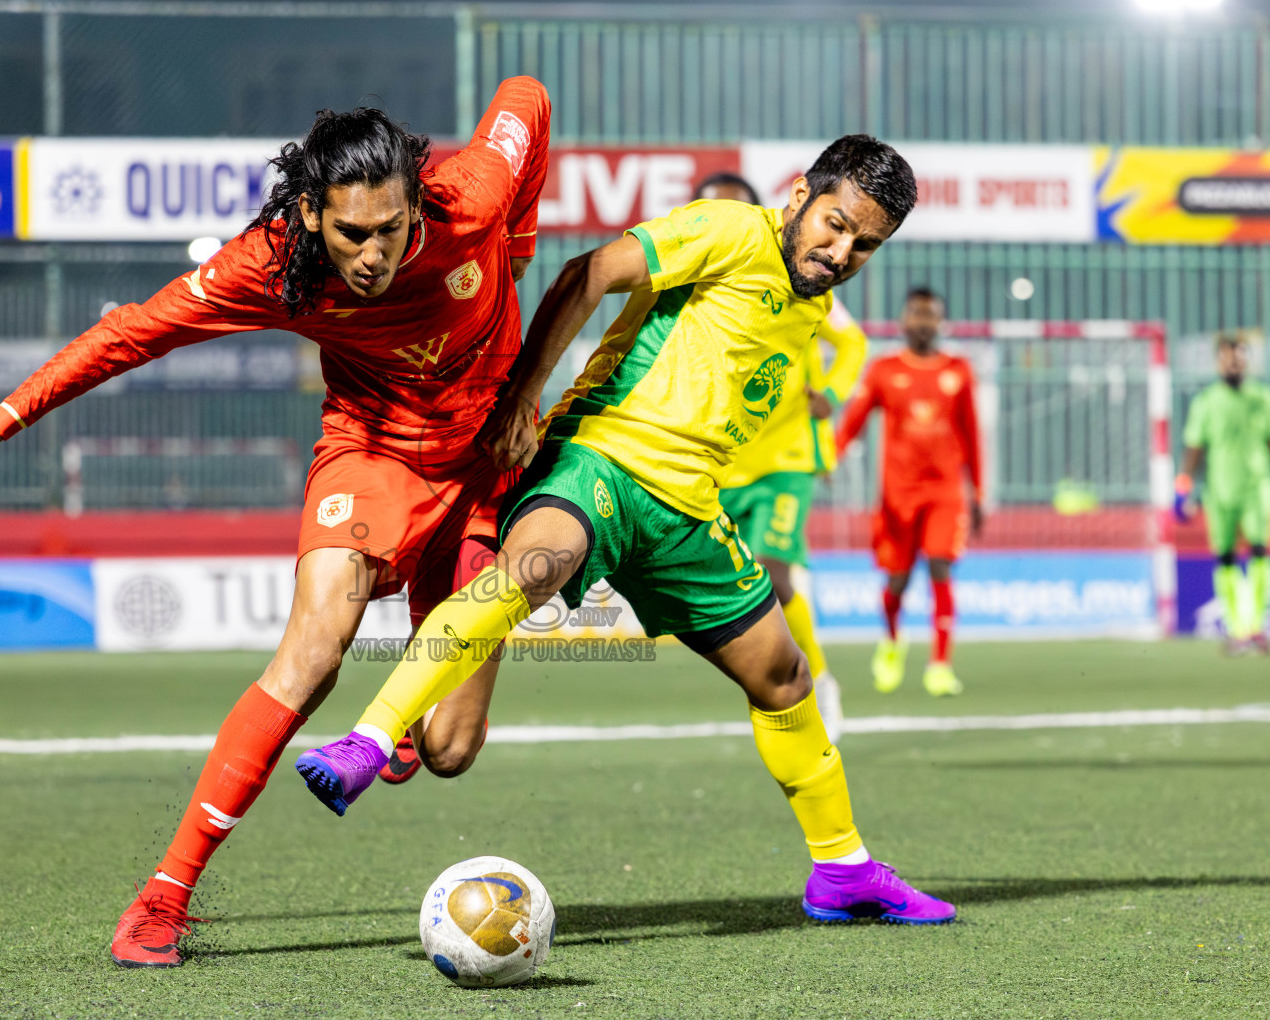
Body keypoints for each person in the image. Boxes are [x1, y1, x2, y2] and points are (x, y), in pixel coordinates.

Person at [0, 77, 553, 967]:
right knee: (311, 654)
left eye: (391, 228)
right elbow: (131, 334)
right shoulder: (269, 265)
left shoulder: (473, 197)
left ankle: (411, 714)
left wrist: (518, 249)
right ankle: (163, 899)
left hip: (485, 465)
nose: (375, 253)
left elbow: (526, 98)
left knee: (451, 748)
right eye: (352, 233)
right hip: (372, 452)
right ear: (310, 215)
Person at [301, 136, 958, 925]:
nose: (842, 249)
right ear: (798, 194)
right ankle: (367, 742)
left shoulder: (813, 302)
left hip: (687, 508)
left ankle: (843, 870)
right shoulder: (729, 230)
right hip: (602, 458)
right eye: (835, 223)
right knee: (533, 570)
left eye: (864, 244)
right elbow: (590, 274)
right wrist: (523, 397)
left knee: (783, 678)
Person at [697, 172, 869, 742]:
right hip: (721, 461)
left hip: (787, 459)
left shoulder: (801, 276)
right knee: (733, 586)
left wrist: (834, 394)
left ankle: (816, 679)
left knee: (773, 572)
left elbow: (852, 343)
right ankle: (778, 678)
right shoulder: (696, 282)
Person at [834, 288, 983, 697]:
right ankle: (892, 640)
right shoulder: (883, 370)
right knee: (896, 580)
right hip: (897, 496)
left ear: (941, 321)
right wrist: (829, 456)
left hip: (945, 492)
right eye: (916, 314)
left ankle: (939, 663)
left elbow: (972, 435)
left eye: (930, 315)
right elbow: (854, 421)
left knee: (940, 566)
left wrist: (979, 493)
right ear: (903, 321)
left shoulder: (959, 371)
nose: (922, 322)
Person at [1176, 331, 1270, 653]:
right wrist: (1183, 486)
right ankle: (1236, 627)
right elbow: (1194, 446)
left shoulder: (1262, 398)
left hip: (1257, 487)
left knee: (1260, 552)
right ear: (1218, 361)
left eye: (1239, 355)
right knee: (1225, 556)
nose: (1233, 362)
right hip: (1220, 490)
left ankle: (1257, 625)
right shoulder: (1207, 401)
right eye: (1227, 356)